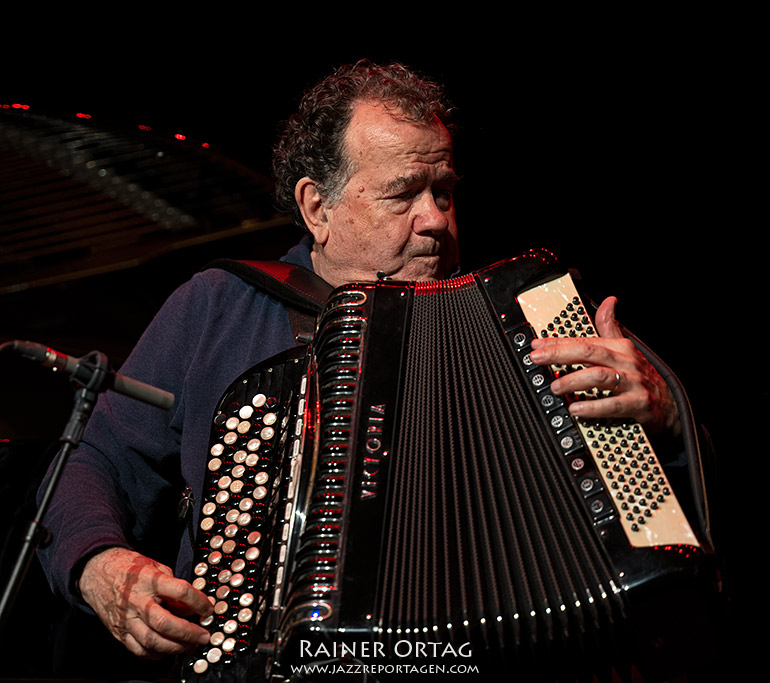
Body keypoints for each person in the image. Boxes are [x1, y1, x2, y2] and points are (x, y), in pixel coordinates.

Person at [36, 60, 681, 668]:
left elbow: (667, 506)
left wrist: (668, 416)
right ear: (319, 207)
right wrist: (98, 564)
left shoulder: (538, 312)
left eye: (445, 191)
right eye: (404, 194)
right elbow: (94, 461)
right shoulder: (218, 307)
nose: (435, 218)